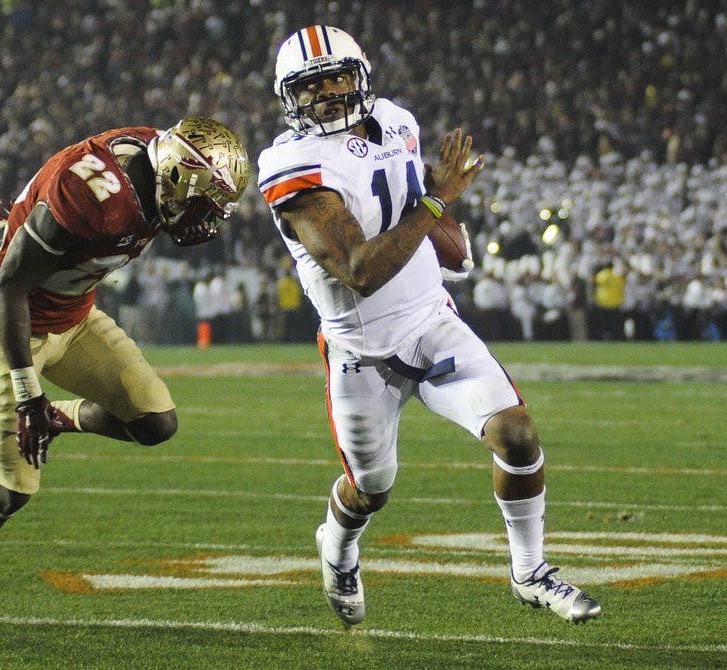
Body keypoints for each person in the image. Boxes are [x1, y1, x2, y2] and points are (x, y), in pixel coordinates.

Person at [257, 26, 600, 627]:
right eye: (311, 86)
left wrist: (440, 234)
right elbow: (360, 270)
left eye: (337, 78)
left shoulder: (395, 121)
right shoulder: (291, 165)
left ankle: (529, 572)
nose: (327, 93)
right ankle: (337, 544)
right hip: (361, 350)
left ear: (361, 76)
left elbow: (403, 204)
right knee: (371, 488)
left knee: (517, 433)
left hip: (431, 321)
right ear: (290, 96)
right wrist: (437, 205)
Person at [0, 118, 251, 630]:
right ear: (176, 180)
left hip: (76, 319)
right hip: (8, 326)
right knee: (14, 488)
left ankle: (61, 417)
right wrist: (28, 396)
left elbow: (58, 187)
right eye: (204, 205)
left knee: (155, 421)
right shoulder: (94, 196)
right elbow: (8, 289)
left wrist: (26, 212)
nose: (207, 218)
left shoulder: (154, 163)